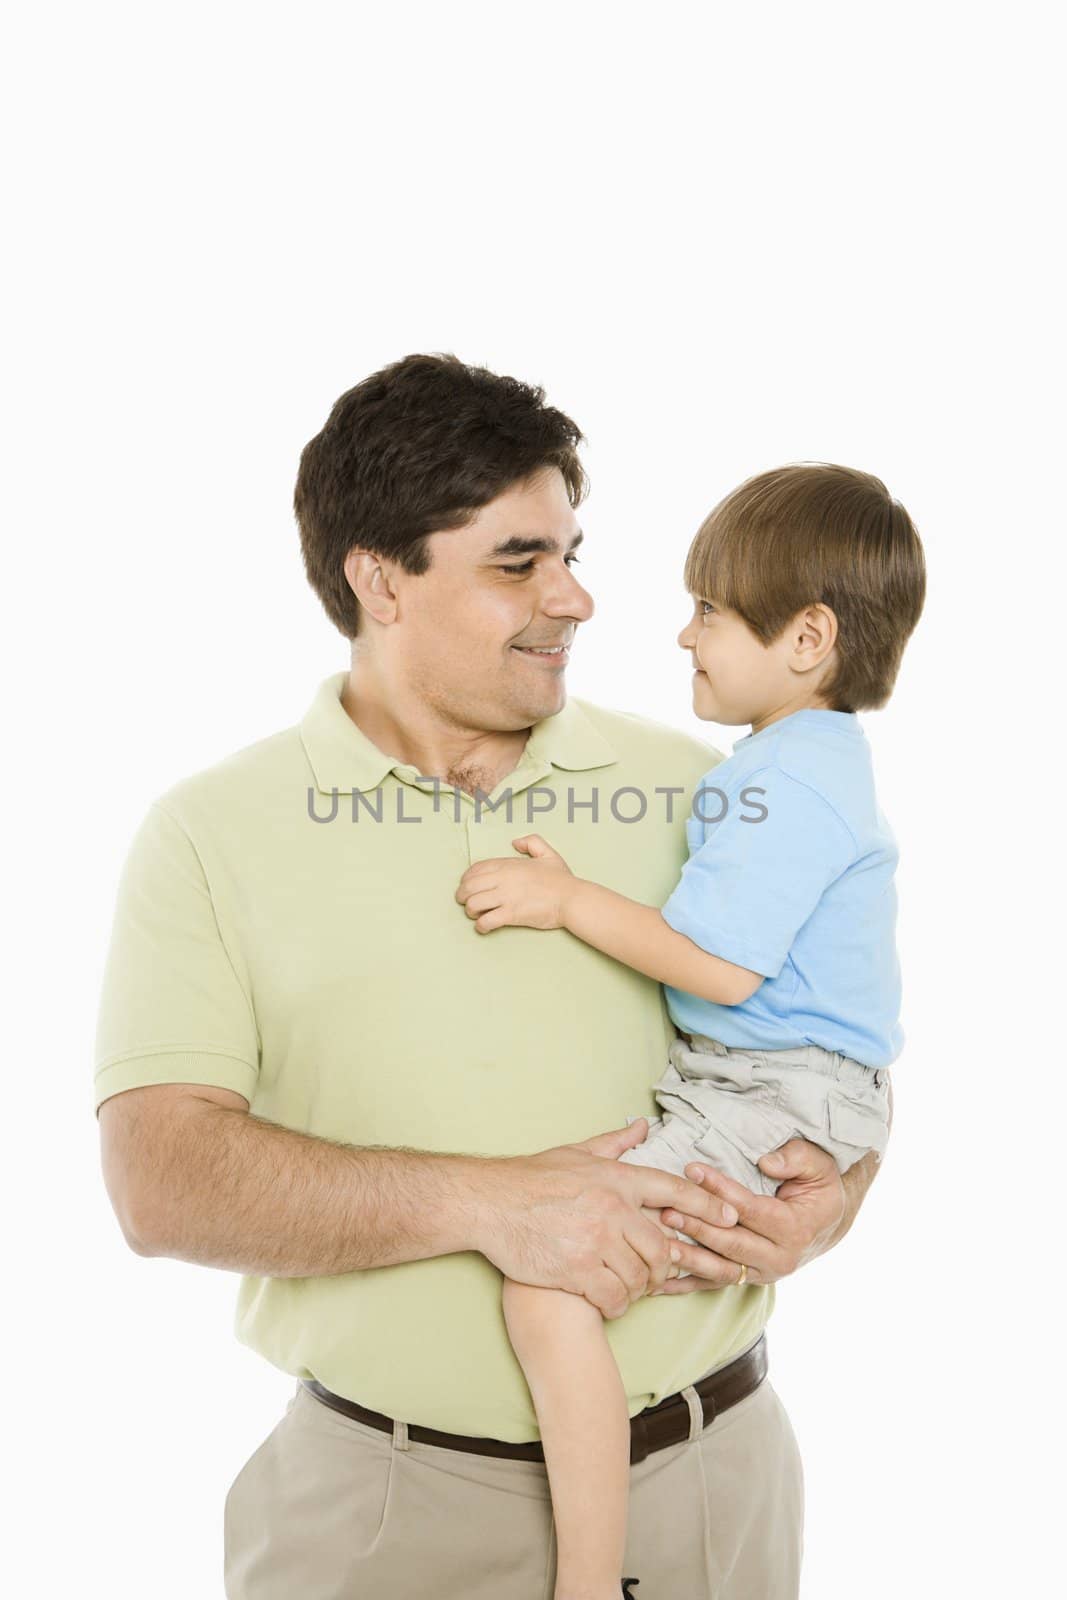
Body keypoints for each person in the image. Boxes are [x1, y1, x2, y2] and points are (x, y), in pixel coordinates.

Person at [94, 355, 889, 1600]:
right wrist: (488, 1203)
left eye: (572, 551)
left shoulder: (712, 786)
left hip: (712, 1489)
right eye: (517, 561)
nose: (574, 598)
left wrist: (830, 1201)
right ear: (377, 579)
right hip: (386, 1513)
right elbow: (159, 1182)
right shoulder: (209, 833)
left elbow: (832, 1043)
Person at [456, 463, 925, 1599]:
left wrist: (566, 902)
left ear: (807, 638)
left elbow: (718, 963)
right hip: (777, 1081)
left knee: (546, 1287)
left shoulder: (789, 782)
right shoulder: (785, 766)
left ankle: (588, 1580)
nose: (682, 634)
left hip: (775, 1089)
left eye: (710, 610)